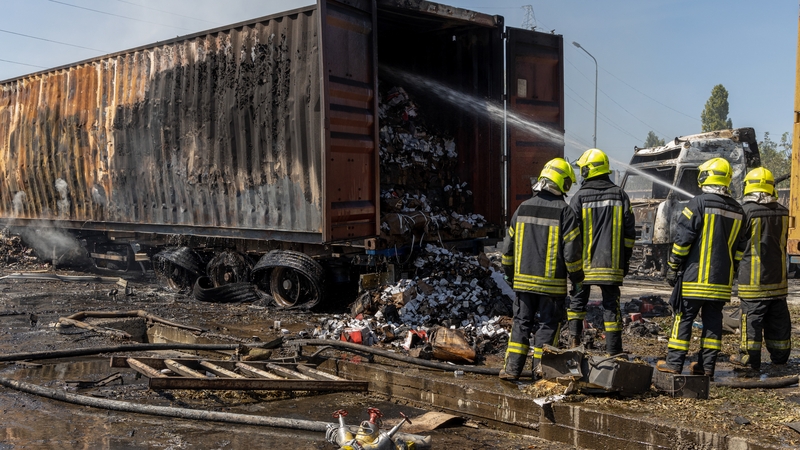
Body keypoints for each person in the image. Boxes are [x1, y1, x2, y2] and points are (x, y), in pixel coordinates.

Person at [657, 157, 744, 379]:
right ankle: (707, 368)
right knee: (713, 324)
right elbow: (741, 249)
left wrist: (673, 266)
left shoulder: (698, 203)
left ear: (706, 177)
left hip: (695, 279)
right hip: (721, 281)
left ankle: (674, 364)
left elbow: (683, 239)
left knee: (683, 318)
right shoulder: (738, 210)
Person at [499, 158, 584, 380]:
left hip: (523, 284)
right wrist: (577, 279)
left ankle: (511, 371)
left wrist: (509, 274)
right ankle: (541, 372)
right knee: (547, 326)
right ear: (561, 182)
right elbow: (572, 253)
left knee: (521, 324)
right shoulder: (565, 212)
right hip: (552, 286)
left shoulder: (522, 208)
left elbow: (507, 249)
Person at [566, 148, 635, 355]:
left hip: (583, 266)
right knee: (611, 306)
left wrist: (571, 265)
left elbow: (571, 235)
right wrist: (624, 261)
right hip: (612, 265)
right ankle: (614, 352)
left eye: (583, 169)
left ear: (589, 170)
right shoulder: (621, 195)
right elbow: (630, 234)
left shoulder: (578, 198)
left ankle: (573, 346)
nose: (582, 173)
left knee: (577, 302)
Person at [731, 167, 791, 369]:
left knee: (752, 322)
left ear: (749, 187)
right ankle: (781, 357)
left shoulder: (745, 212)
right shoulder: (784, 212)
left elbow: (737, 244)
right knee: (778, 320)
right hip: (778, 280)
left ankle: (748, 360)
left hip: (753, 282)